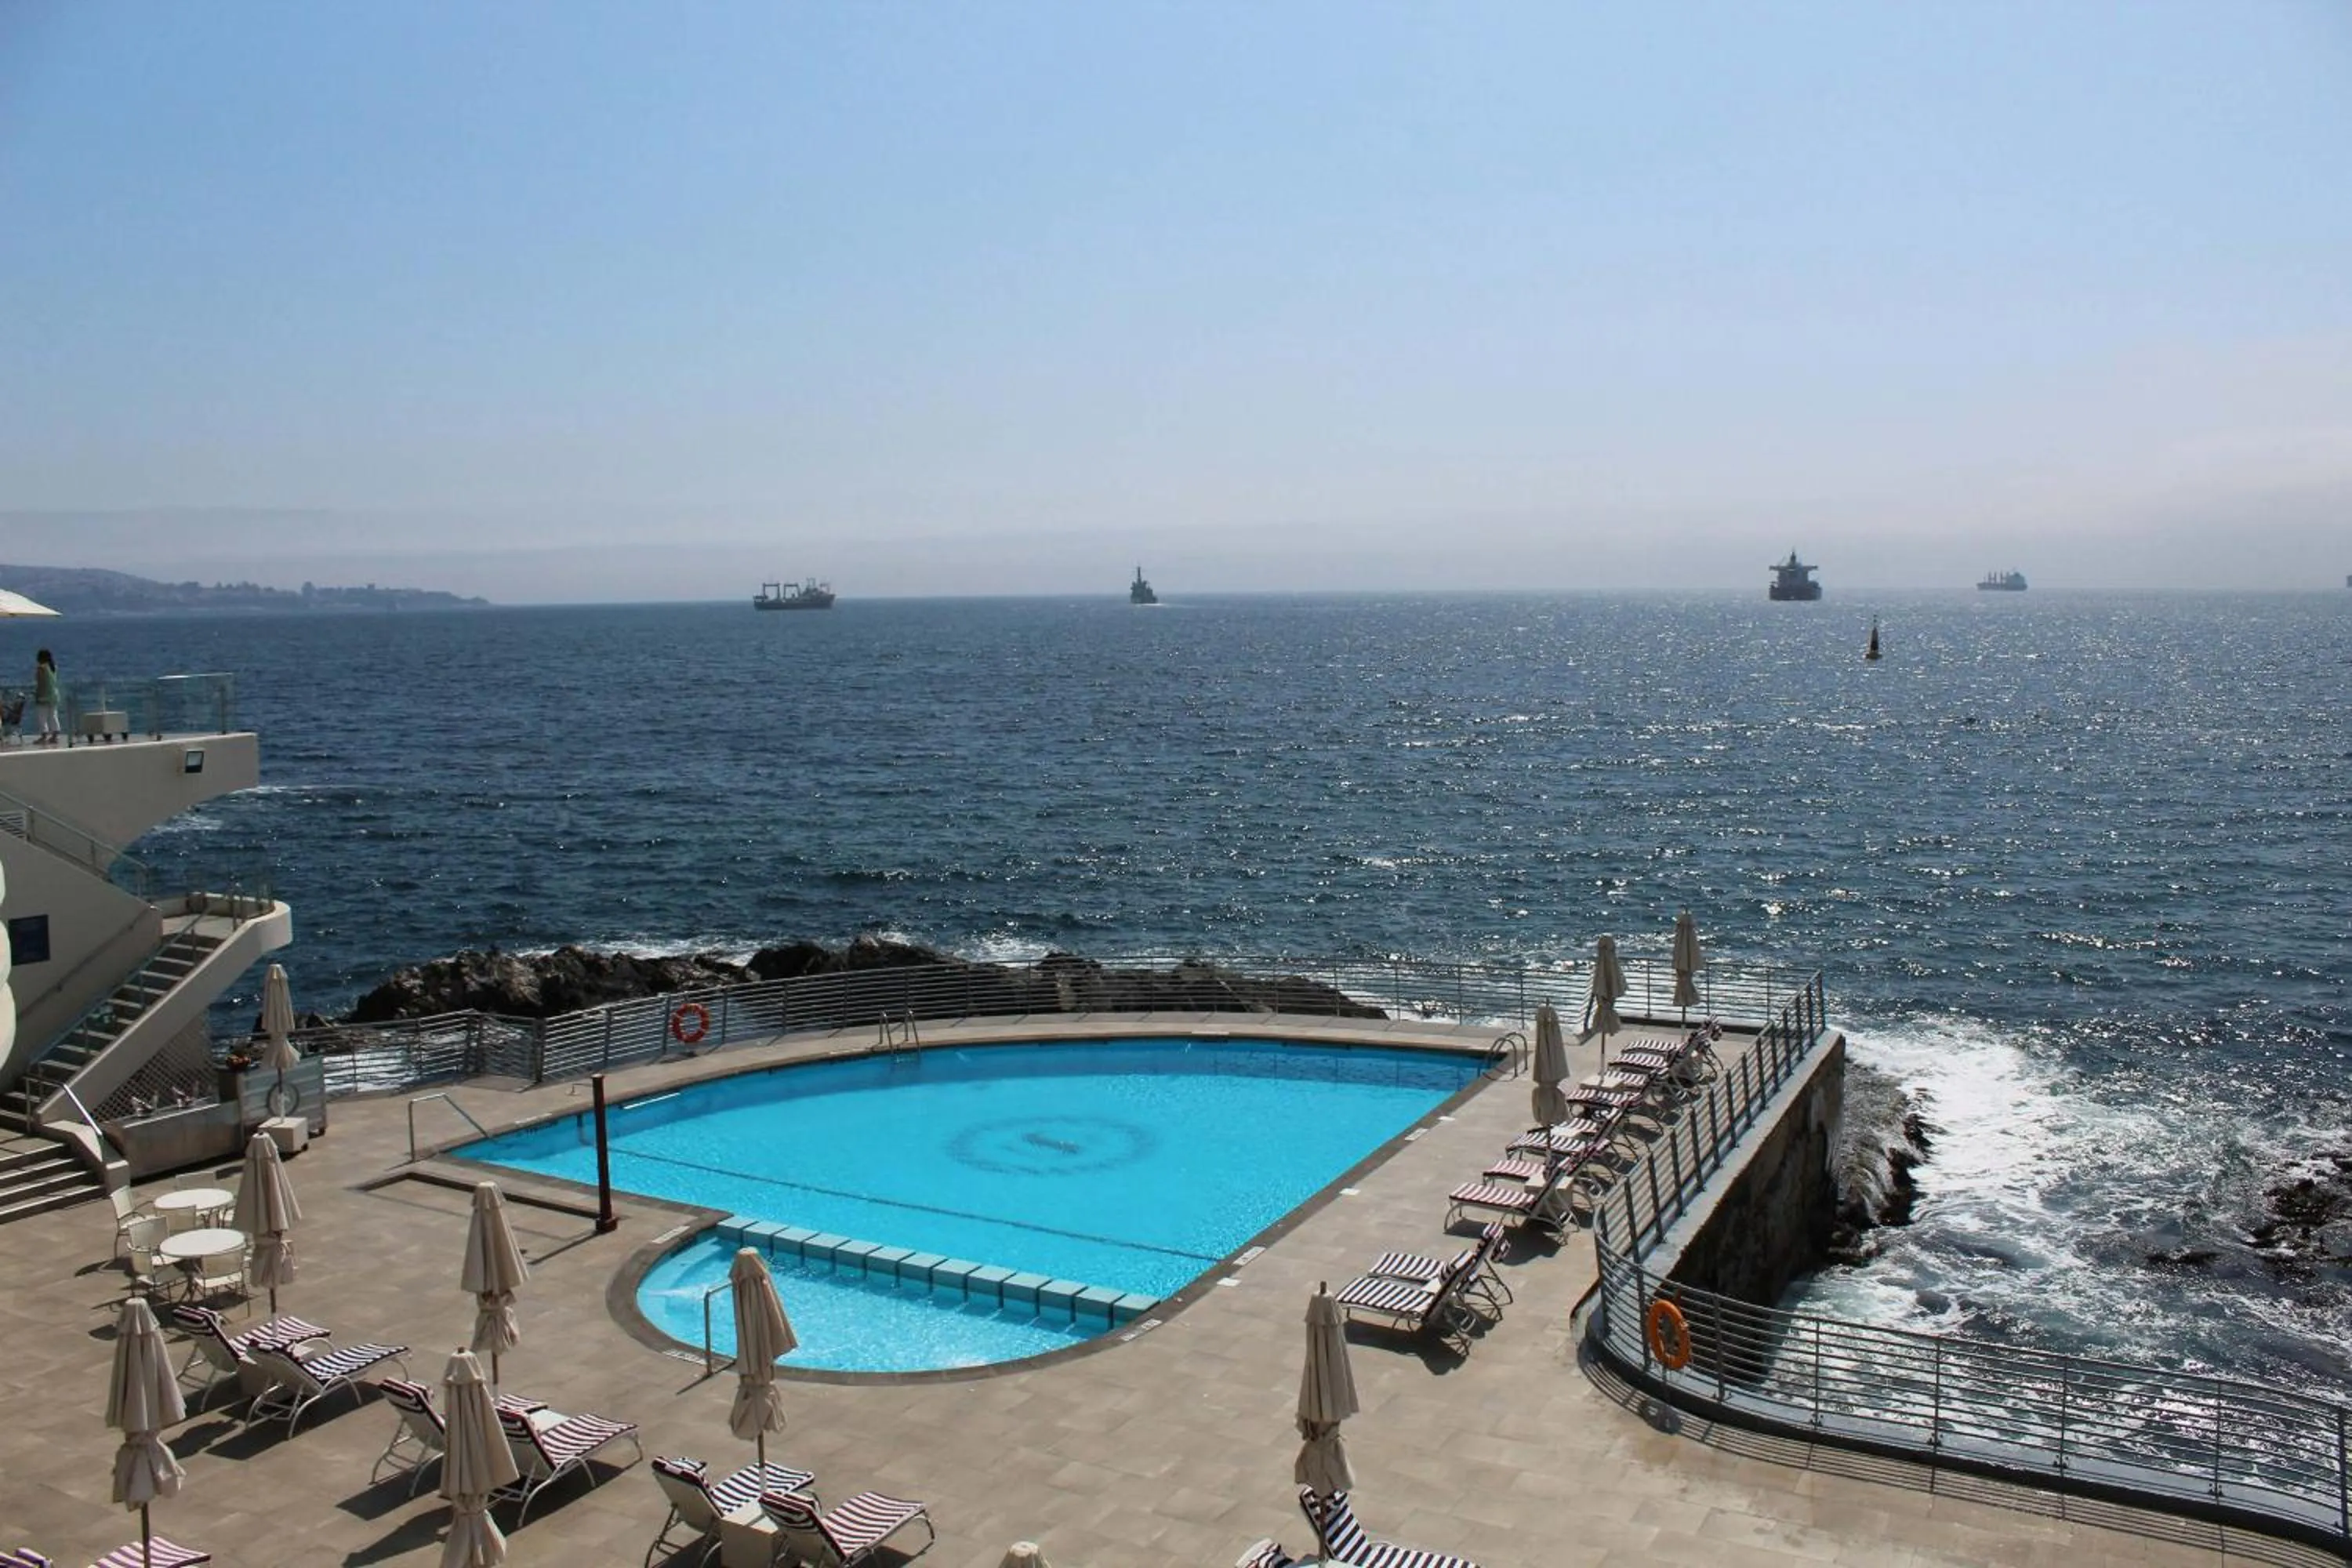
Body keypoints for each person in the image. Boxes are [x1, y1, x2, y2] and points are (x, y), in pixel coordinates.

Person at [31, 648, 58, 745]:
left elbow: (40, 683)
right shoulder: (53, 667)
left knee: (42, 716)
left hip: (44, 695)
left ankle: (44, 736)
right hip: (54, 694)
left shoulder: (41, 668)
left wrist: (37, 695)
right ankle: (55, 736)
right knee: (53, 715)